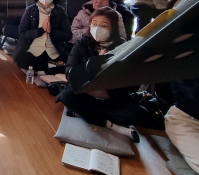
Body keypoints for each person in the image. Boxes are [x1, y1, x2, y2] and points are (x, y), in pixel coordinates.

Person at [57, 7, 143, 142]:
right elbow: (70, 72)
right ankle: (112, 125)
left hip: (111, 96)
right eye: (94, 24)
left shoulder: (123, 47)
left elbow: (133, 84)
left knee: (137, 113)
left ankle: (85, 113)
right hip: (86, 93)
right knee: (67, 96)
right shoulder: (82, 43)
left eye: (103, 26)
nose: (97, 28)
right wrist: (94, 64)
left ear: (113, 28)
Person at [14, 0, 72, 74]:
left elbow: (68, 35)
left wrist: (52, 32)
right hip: (34, 49)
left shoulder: (60, 11)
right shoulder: (30, 10)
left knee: (67, 64)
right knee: (24, 61)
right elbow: (22, 33)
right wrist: (41, 30)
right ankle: (46, 69)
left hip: (54, 50)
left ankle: (44, 70)